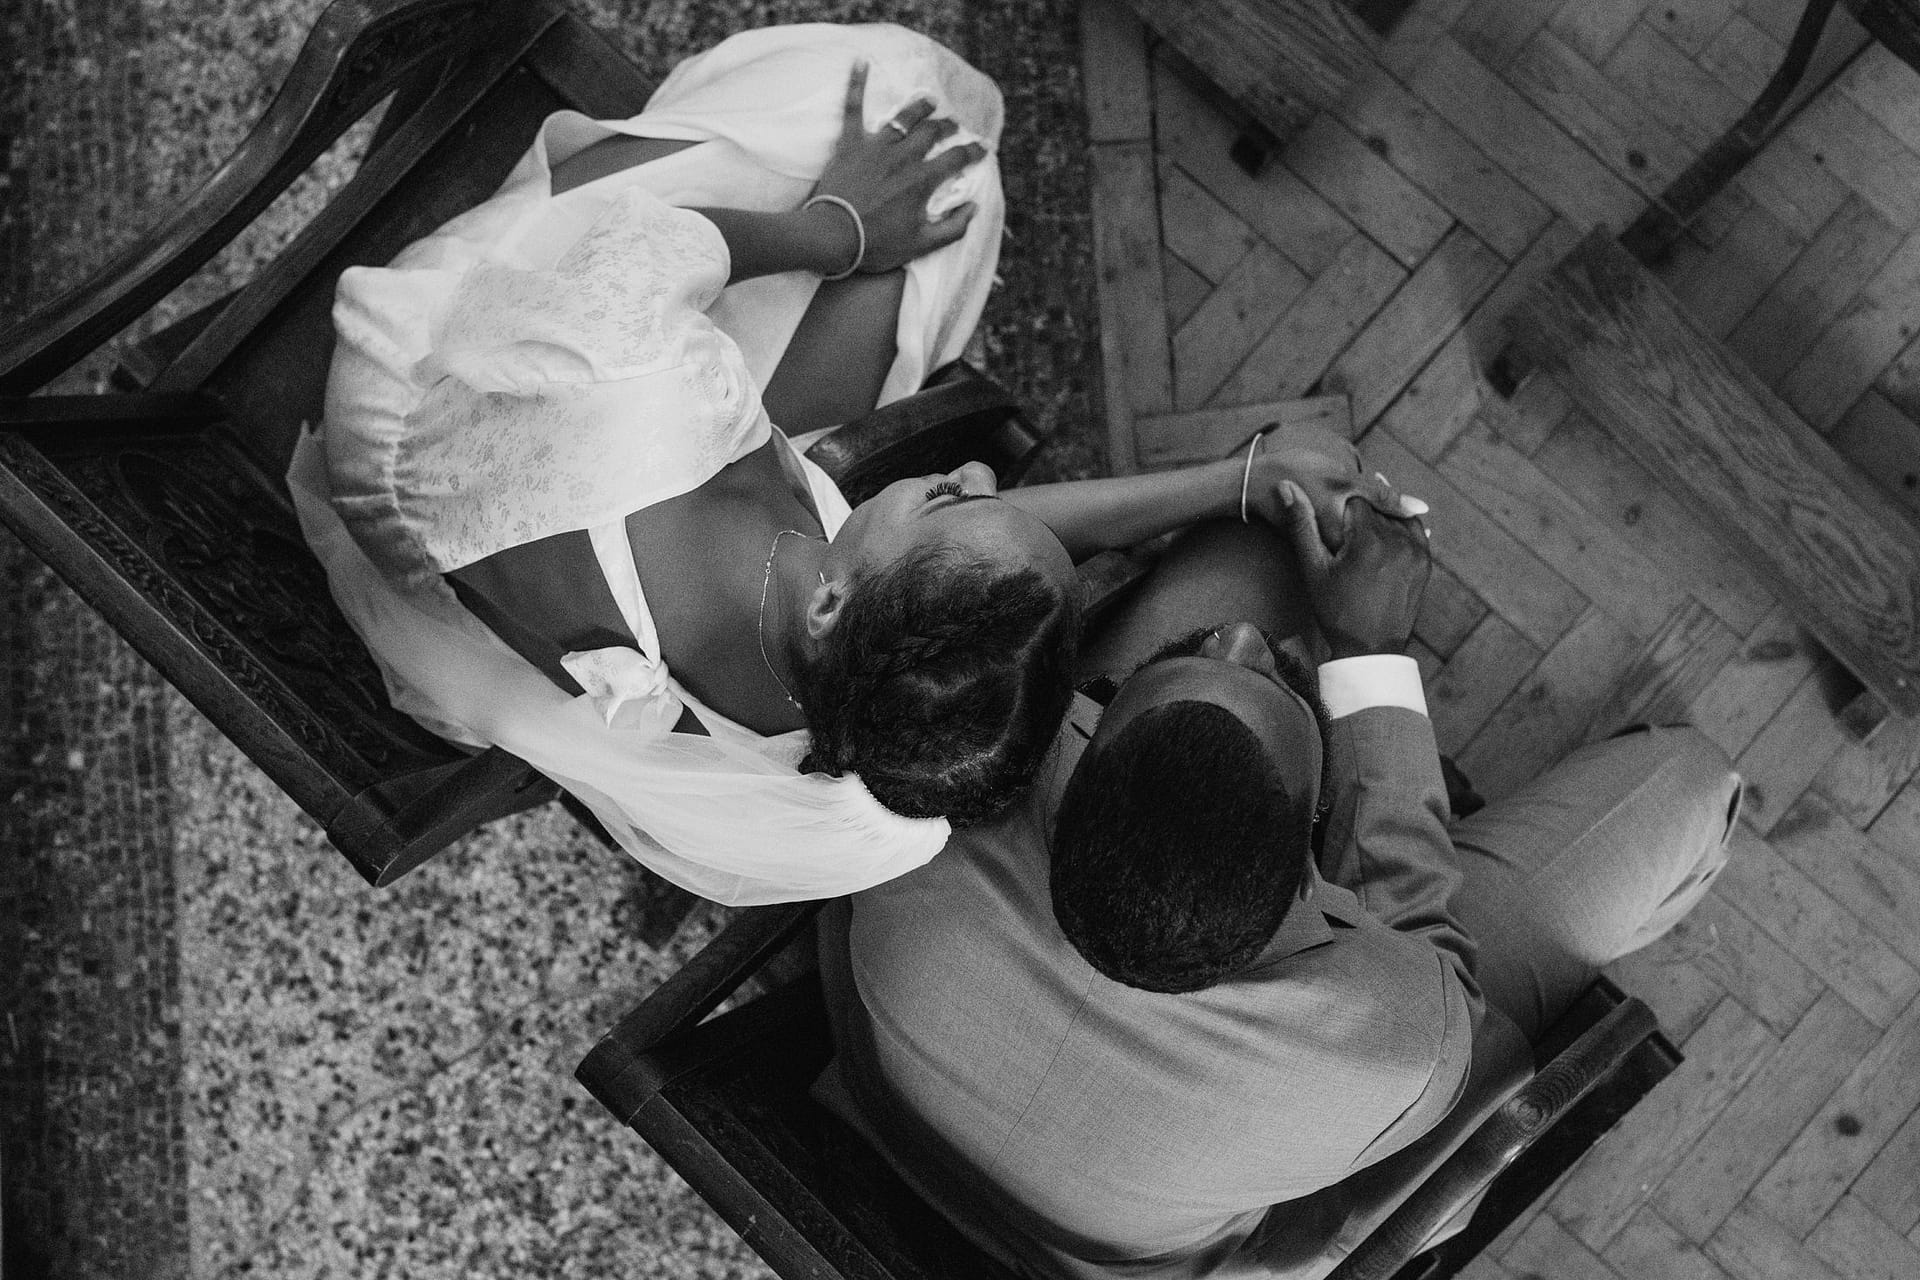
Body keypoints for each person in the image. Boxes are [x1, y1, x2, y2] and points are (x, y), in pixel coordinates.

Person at [289, 23, 1419, 904]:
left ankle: (831, 198)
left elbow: (649, 239)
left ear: (832, 596)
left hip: (427, 396)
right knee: (941, 184)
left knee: (902, 101)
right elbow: (980, 556)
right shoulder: (884, 768)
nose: (970, 479)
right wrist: (1233, 480)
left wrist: (838, 227)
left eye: (947, 509)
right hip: (612, 494)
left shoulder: (649, 391)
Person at [817, 491, 1742, 1277]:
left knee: (1249, 549)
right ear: (1317, 873)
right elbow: (1424, 948)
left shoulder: (937, 809)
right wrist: (1365, 652)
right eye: (1271, 683)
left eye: (1205, 660)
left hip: (903, 1126)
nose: (1244, 641)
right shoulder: (1385, 1045)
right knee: (1692, 784)